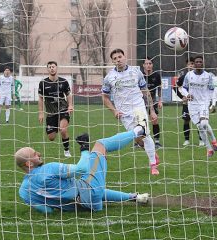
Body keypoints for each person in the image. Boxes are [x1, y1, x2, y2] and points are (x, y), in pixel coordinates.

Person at [16, 125, 150, 214]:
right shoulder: (48, 169)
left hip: (81, 207)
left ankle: (133, 197)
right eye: (34, 154)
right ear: (28, 164)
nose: (38, 153)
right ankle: (138, 131)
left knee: (89, 184)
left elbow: (47, 211)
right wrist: (84, 148)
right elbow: (82, 169)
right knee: (100, 145)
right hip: (90, 194)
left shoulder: (23, 191)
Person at [102, 48, 160, 175]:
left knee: (145, 134)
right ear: (113, 62)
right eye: (115, 58)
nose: (118, 60)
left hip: (139, 108)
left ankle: (153, 166)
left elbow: (145, 91)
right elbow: (105, 97)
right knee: (138, 139)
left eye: (120, 57)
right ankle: (152, 153)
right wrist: (114, 111)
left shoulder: (136, 72)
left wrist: (152, 111)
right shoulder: (109, 77)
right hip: (124, 113)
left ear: (125, 57)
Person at [178, 55, 217, 157]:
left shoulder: (208, 76)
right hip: (192, 105)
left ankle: (214, 140)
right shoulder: (189, 75)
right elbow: (183, 88)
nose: (198, 64)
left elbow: (212, 90)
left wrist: (213, 104)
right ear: (194, 64)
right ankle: (209, 149)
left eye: (200, 62)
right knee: (200, 127)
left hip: (204, 103)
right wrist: (187, 95)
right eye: (196, 62)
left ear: (203, 63)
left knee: (204, 124)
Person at [38, 61, 73, 158]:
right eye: (49, 67)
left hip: (63, 109)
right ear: (47, 69)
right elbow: (41, 98)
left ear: (57, 68)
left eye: (53, 66)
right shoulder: (43, 83)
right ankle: (57, 125)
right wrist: (40, 113)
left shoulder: (64, 81)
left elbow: (69, 95)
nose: (52, 68)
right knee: (51, 137)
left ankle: (66, 151)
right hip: (50, 112)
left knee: (63, 130)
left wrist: (70, 105)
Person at [174, 57, 203, 146]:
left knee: (199, 121)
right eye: (189, 64)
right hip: (187, 103)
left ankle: (201, 140)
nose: (191, 66)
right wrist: (182, 97)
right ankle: (187, 140)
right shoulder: (183, 77)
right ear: (186, 66)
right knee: (186, 120)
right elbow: (175, 87)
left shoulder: (200, 77)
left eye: (192, 64)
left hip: (197, 103)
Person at [143, 57, 162, 149]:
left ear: (152, 65)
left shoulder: (156, 75)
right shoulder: (140, 75)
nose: (148, 65)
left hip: (153, 102)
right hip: (141, 102)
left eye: (150, 63)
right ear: (143, 65)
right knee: (141, 122)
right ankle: (139, 142)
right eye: (146, 64)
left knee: (154, 120)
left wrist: (160, 100)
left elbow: (159, 88)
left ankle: (157, 142)